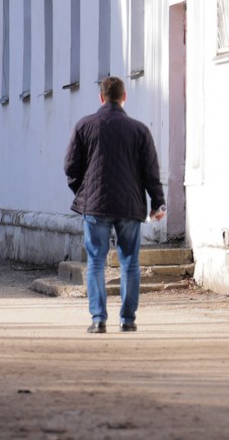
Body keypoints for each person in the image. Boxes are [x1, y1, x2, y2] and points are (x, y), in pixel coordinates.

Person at [63, 76, 166, 334]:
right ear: (124, 97)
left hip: (95, 206)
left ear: (101, 97)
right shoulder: (139, 130)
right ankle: (128, 319)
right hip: (129, 206)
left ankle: (98, 319)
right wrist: (157, 203)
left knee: (96, 261)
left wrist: (83, 191)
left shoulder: (84, 125)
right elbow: (151, 171)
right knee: (130, 262)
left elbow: (70, 167)